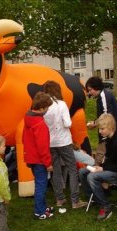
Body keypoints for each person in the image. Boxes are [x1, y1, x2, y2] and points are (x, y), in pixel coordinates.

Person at [79, 113, 117, 220]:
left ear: (111, 127)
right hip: (112, 169)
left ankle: (106, 206)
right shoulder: (109, 140)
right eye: (99, 129)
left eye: (102, 129)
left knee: (92, 176)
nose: (99, 131)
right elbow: (109, 160)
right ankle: (95, 198)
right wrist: (101, 167)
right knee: (82, 171)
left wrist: (103, 168)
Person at [43, 81, 87, 209]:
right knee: (72, 169)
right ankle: (75, 200)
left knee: (55, 170)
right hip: (64, 141)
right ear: (57, 90)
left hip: (51, 142)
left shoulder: (44, 106)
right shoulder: (61, 104)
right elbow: (68, 123)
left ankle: (60, 199)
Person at [23, 91, 54, 220]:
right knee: (41, 185)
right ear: (41, 108)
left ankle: (42, 206)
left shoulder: (28, 117)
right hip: (40, 160)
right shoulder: (39, 124)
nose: (47, 110)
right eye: (47, 108)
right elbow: (43, 146)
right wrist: (48, 163)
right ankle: (39, 211)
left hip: (31, 157)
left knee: (39, 183)